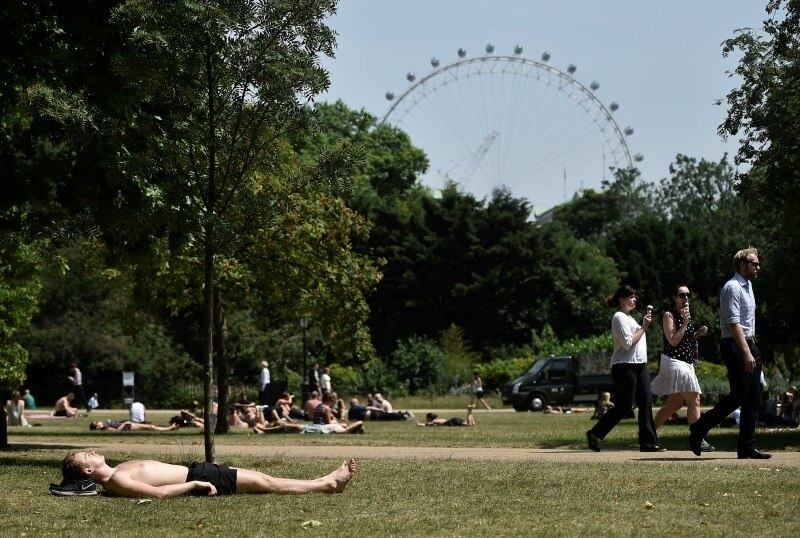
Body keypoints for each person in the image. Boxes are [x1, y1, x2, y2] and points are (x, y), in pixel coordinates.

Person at [689, 248, 772, 459]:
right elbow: (734, 324)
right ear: (742, 265)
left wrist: (751, 348)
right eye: (754, 264)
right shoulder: (732, 288)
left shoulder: (748, 286)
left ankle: (746, 447)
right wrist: (746, 352)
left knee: (753, 395)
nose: (758, 267)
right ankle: (699, 427)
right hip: (735, 345)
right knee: (739, 395)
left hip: (749, 343)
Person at [55, 451, 356, 498]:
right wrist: (195, 484)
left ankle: (324, 482)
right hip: (198, 476)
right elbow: (159, 494)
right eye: (86, 456)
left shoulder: (115, 474)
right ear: (88, 470)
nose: (91, 451)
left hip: (198, 470)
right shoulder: (117, 480)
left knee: (264, 479)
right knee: (265, 482)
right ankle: (328, 484)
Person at [586, 285, 662, 452]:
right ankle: (594, 433)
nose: (635, 299)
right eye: (631, 296)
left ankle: (648, 442)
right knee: (625, 405)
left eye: (635, 296)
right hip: (624, 366)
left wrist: (642, 326)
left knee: (646, 402)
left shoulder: (630, 318)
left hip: (640, 365)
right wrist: (643, 327)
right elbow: (628, 344)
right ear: (621, 300)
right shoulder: (618, 317)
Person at [650, 285, 714, 452]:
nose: (686, 298)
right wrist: (685, 322)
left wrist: (696, 334)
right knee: (694, 399)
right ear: (675, 298)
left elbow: (685, 340)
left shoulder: (686, 315)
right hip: (674, 362)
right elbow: (672, 341)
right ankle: (698, 439)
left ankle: (647, 433)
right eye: (682, 295)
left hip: (686, 363)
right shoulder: (669, 315)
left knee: (674, 404)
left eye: (688, 295)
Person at [90, 420, 178, 432]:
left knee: (149, 425)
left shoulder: (105, 425)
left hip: (127, 424)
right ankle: (169, 428)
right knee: (150, 427)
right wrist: (124, 424)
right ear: (97, 427)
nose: (99, 421)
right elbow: (117, 430)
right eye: (97, 422)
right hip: (127, 426)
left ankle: (169, 427)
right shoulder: (105, 428)